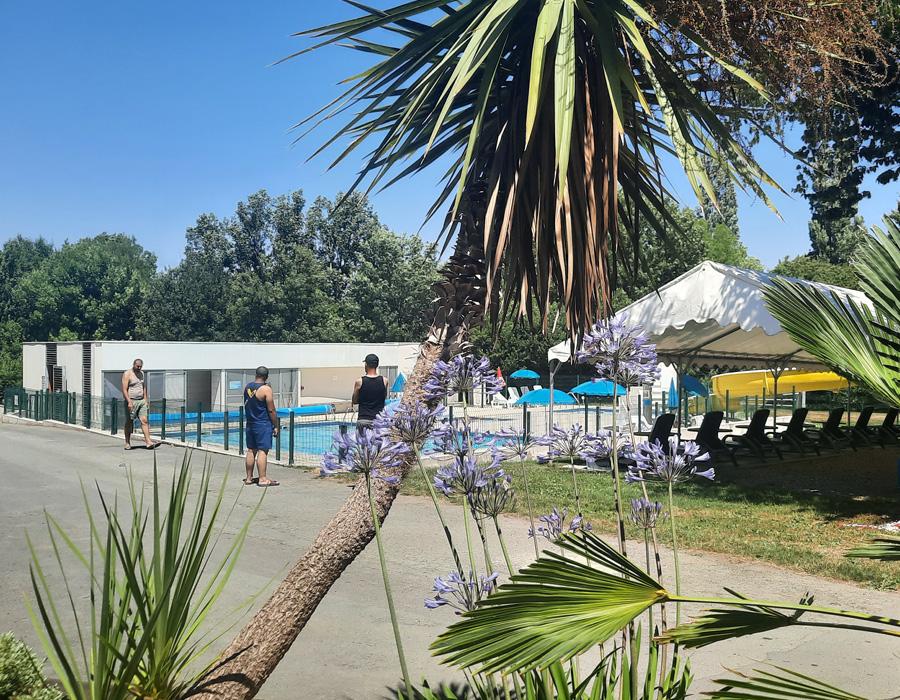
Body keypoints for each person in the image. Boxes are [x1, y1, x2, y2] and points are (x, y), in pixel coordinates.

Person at [243, 366, 280, 487]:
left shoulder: (248, 387)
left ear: (256, 374)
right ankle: (262, 479)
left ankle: (249, 478)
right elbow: (271, 410)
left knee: (251, 450)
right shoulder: (266, 389)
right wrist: (275, 425)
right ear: (266, 376)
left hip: (250, 423)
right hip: (262, 423)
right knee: (262, 450)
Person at [121, 358, 158, 450]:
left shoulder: (142, 373)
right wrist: (129, 401)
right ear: (134, 365)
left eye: (140, 367)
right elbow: (124, 389)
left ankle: (148, 442)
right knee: (129, 422)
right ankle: (127, 442)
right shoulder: (127, 374)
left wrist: (145, 399)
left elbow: (143, 386)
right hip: (132, 401)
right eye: (137, 366)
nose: (139, 368)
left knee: (144, 420)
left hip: (141, 401)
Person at [352, 353, 388, 433]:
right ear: (377, 365)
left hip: (363, 419)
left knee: (362, 441)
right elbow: (384, 397)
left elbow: (354, 401)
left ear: (366, 365)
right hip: (379, 420)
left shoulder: (359, 382)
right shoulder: (384, 381)